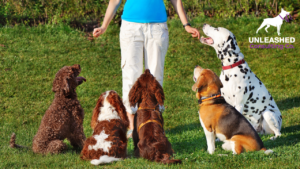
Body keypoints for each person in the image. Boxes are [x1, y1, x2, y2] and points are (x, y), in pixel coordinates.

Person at [93, 0, 200, 137]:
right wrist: (104, 26)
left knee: (155, 77)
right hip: (131, 27)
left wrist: (186, 25)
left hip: (157, 28)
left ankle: (155, 122)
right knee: (131, 75)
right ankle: (132, 125)